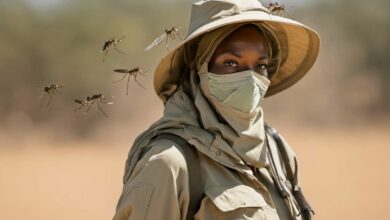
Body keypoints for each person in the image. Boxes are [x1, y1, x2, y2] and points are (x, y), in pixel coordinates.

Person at [113, 0, 320, 219]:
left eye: (260, 66)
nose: (250, 78)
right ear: (201, 66)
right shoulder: (169, 164)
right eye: (231, 63)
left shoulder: (277, 151)